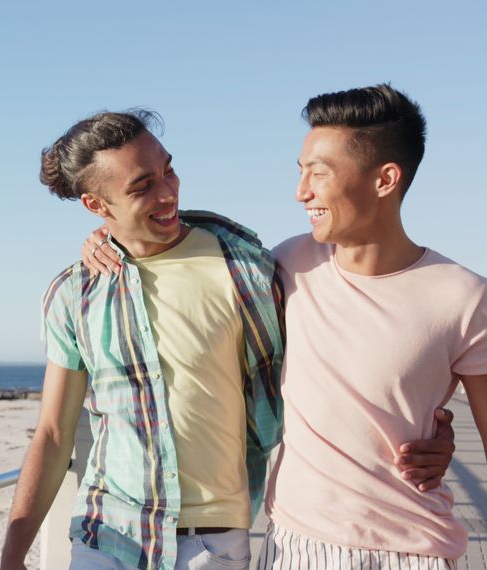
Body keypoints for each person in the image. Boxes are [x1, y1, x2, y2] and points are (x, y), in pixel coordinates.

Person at [74, 85, 480, 569]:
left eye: (319, 173)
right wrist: (107, 232)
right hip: (294, 548)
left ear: (385, 179)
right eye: (300, 170)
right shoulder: (282, 267)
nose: (301, 191)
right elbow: (180, 240)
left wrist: (441, 440)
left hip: (413, 552)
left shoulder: (463, 297)